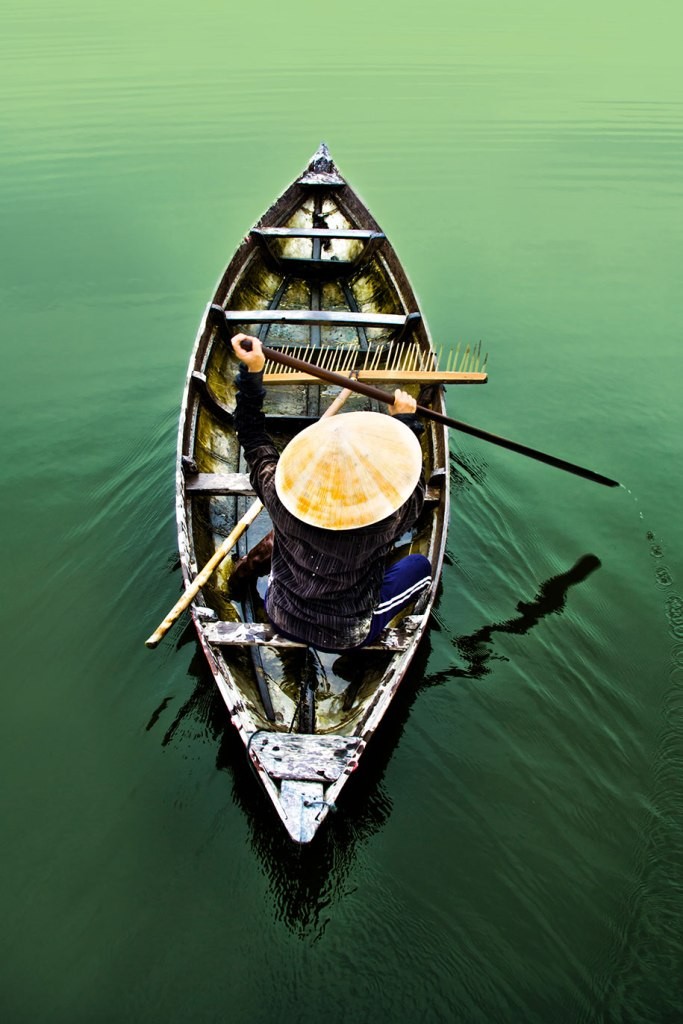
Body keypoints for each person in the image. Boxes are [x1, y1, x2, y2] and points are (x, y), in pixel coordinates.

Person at [230, 333, 432, 652]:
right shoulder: (385, 520)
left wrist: (252, 371)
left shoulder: (278, 495)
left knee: (282, 542)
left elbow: (251, 435)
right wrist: (406, 423)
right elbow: (414, 484)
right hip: (348, 633)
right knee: (421, 567)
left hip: (280, 611)